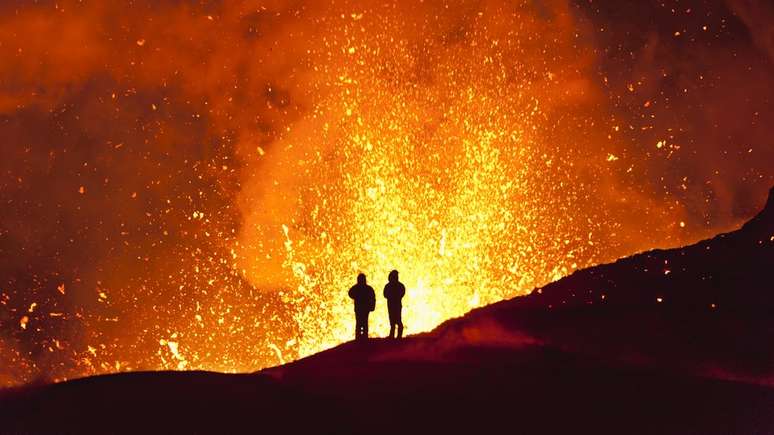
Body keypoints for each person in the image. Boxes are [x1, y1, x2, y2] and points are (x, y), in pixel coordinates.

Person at [348, 273, 375, 341]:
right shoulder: (368, 288)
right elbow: (373, 298)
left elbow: (350, 293)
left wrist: (356, 296)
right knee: (363, 323)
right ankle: (363, 337)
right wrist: (372, 306)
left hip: (360, 309)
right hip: (364, 309)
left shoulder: (357, 288)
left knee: (360, 323)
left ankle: (359, 338)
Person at [383, 270, 406, 339]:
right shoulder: (399, 285)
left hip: (393, 304)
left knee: (396, 320)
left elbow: (385, 294)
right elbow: (385, 294)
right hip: (394, 304)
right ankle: (395, 335)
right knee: (393, 320)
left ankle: (395, 336)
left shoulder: (389, 286)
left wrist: (392, 297)